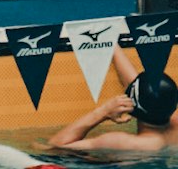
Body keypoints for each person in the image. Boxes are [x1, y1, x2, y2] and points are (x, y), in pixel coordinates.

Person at [47, 43, 178, 154]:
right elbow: (144, 92)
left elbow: (53, 148)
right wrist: (113, 46)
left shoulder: (122, 143)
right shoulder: (172, 120)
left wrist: (103, 112)